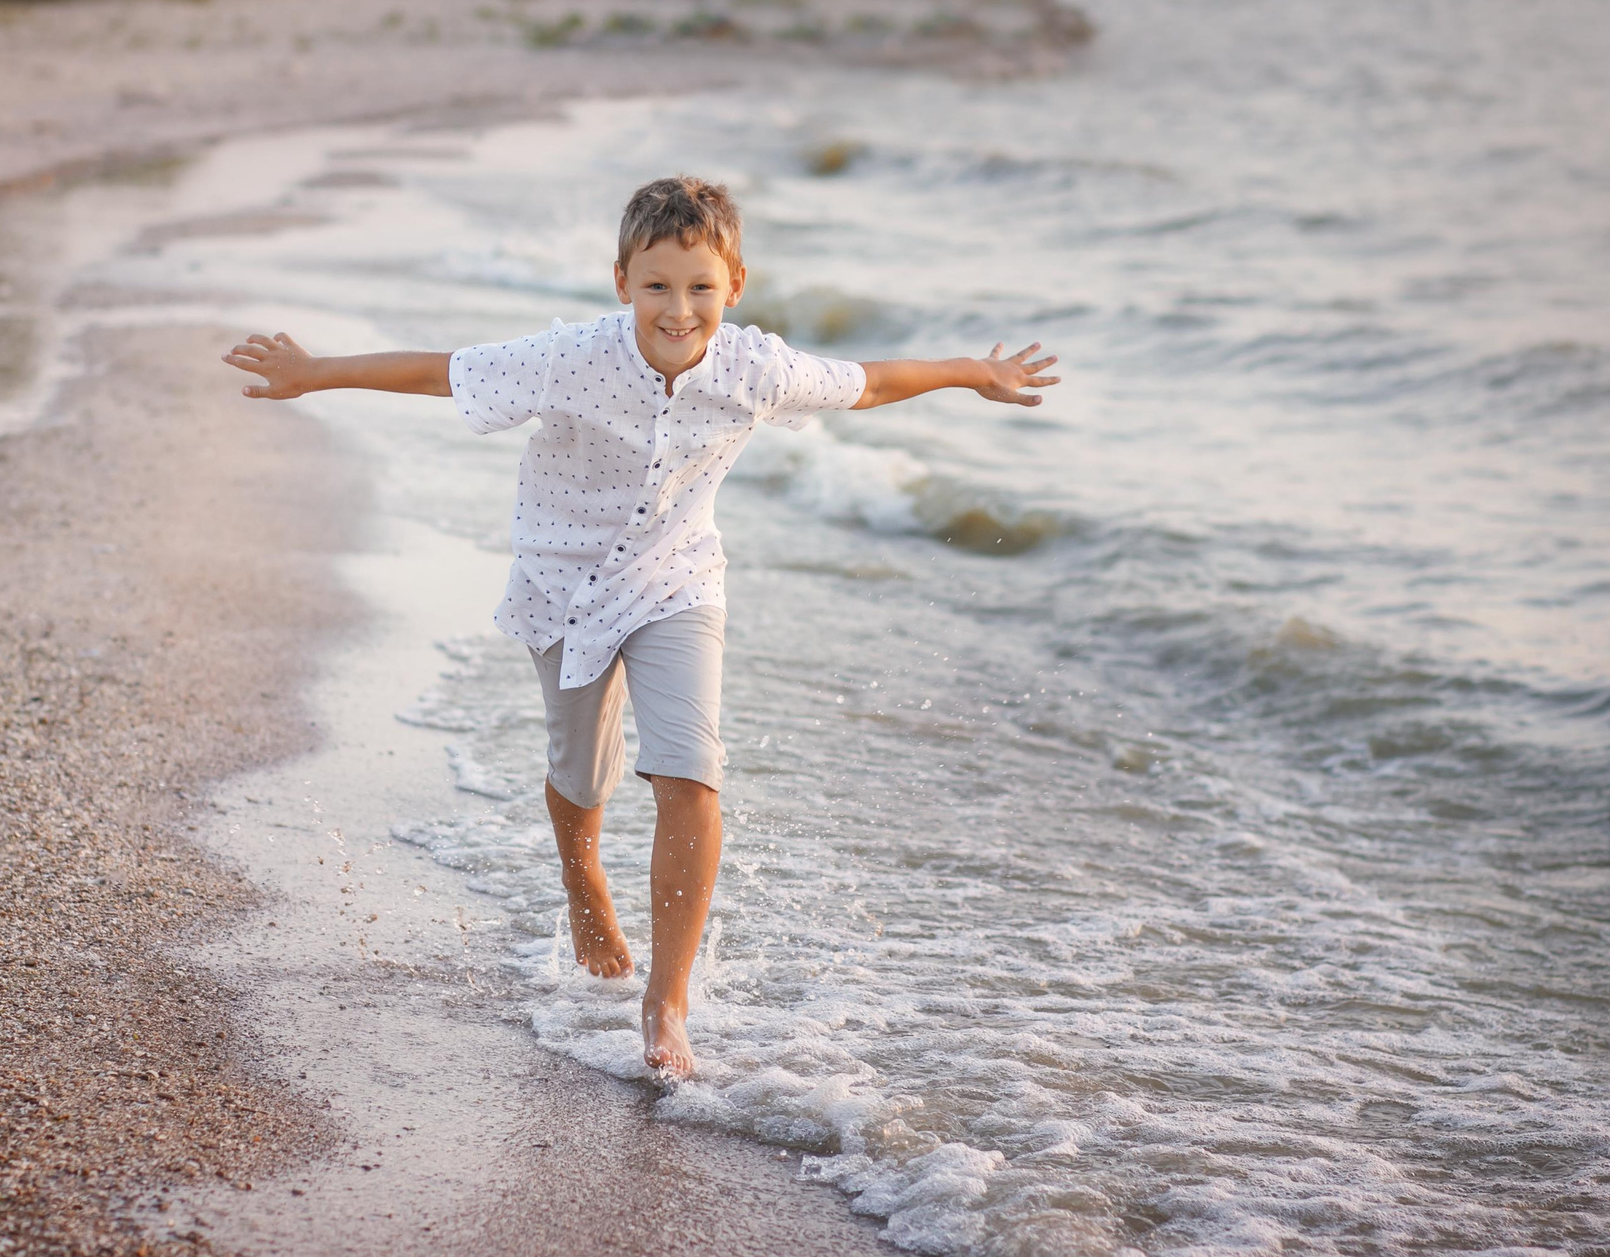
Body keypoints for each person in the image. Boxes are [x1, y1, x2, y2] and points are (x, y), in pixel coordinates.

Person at [224, 176, 1055, 1078]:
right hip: (562, 581)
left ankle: (667, 1000)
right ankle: (583, 877)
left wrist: (977, 373)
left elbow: (871, 382)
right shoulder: (569, 358)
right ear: (621, 280)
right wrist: (314, 373)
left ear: (734, 286)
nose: (679, 307)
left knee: (690, 772)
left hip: (677, 583)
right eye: (657, 284)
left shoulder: (756, 367)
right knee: (580, 769)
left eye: (701, 286)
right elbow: (442, 370)